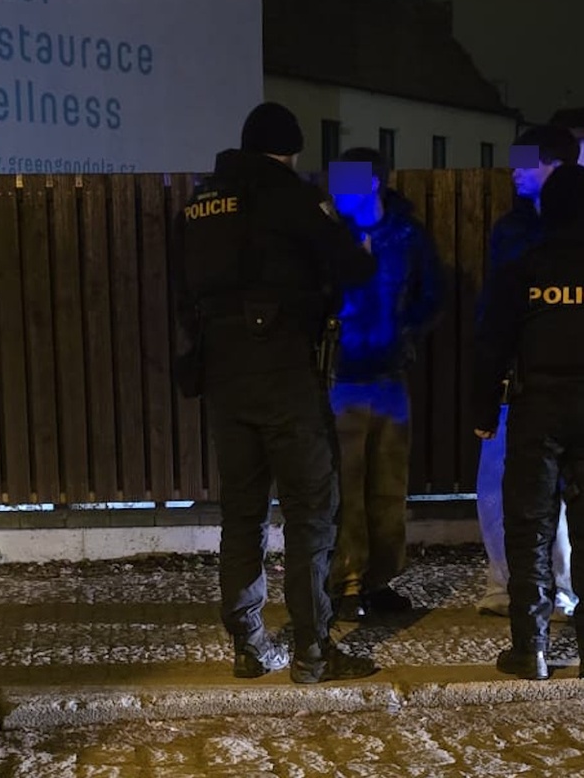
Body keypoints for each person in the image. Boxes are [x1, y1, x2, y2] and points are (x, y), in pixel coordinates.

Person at [172, 102, 378, 683]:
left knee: (243, 512)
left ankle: (247, 644)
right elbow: (352, 269)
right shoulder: (290, 195)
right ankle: (313, 650)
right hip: (287, 373)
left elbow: (182, 293)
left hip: (224, 376)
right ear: (289, 151)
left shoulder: (199, 204)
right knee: (311, 511)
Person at [473, 161, 584, 680]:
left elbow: (491, 348)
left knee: (529, 531)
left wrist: (484, 414)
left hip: (536, 411)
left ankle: (530, 650)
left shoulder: (523, 272)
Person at [325, 147, 445, 622]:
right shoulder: (333, 236)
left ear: (372, 182)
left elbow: (431, 295)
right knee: (346, 487)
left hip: (389, 377)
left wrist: (406, 333)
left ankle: (378, 580)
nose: (336, 191)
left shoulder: (407, 235)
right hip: (343, 377)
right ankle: (348, 582)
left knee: (388, 488)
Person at [473, 125, 584, 621]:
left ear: (555, 166)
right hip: (515, 374)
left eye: (527, 161)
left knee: (556, 485)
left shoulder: (575, 231)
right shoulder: (513, 228)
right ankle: (509, 584)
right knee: (498, 483)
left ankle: (557, 587)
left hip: (554, 377)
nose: (515, 170)